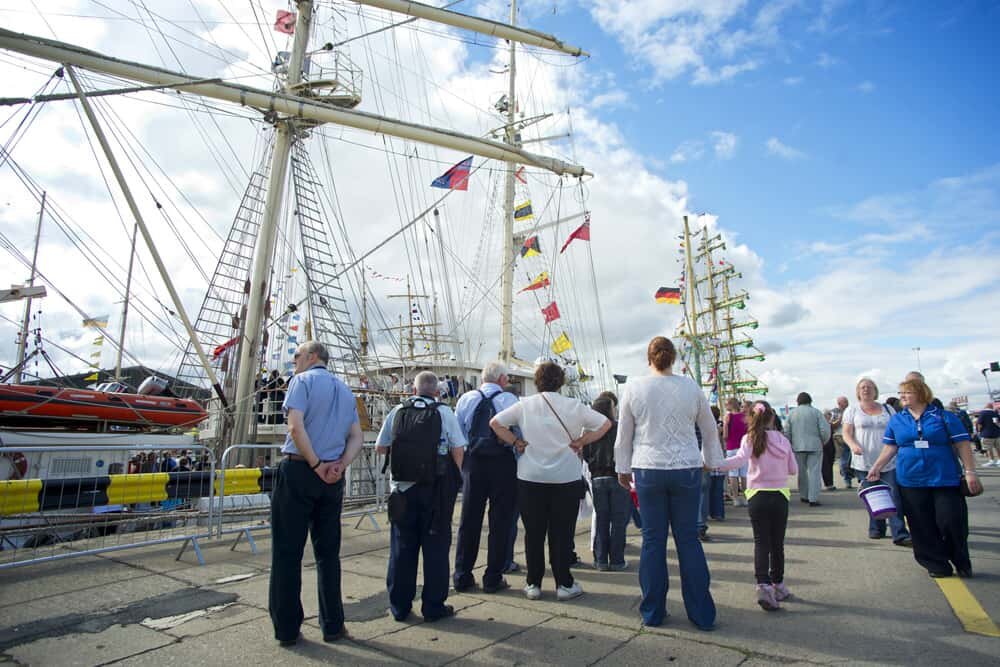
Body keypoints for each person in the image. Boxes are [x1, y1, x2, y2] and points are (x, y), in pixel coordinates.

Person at [614, 337, 724, 630]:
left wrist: (622, 468)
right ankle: (701, 614)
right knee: (688, 540)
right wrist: (710, 460)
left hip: (648, 467)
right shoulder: (690, 386)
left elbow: (624, 434)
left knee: (653, 540)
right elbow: (710, 429)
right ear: (673, 357)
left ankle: (652, 611)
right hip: (686, 467)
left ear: (649, 358)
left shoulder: (634, 387)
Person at [269, 341, 364, 646]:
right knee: (328, 555)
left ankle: (286, 628)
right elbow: (357, 437)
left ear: (312, 357)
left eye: (296, 356)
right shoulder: (345, 390)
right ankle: (333, 625)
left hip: (301, 470)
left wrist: (316, 464)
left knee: (287, 552)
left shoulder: (302, 381)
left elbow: (296, 428)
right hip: (332, 479)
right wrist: (338, 466)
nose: (293, 361)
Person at [490, 362, 610, 601]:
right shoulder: (574, 406)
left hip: (530, 476)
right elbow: (605, 424)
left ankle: (533, 583)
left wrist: (516, 442)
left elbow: (495, 423)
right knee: (562, 533)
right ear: (561, 381)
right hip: (565, 477)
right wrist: (583, 441)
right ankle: (563, 583)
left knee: (533, 532)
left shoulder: (524, 405)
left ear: (537, 381)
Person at [868, 377, 981, 578]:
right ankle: (936, 564)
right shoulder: (897, 419)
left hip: (944, 477)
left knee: (951, 521)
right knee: (921, 525)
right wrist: (877, 467)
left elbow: (962, 444)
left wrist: (970, 472)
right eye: (901, 393)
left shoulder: (944, 417)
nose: (902, 396)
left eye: (907, 392)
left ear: (921, 394)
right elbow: (891, 446)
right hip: (910, 479)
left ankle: (960, 558)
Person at [376, 371, 465, 622]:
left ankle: (400, 607)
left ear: (413, 391)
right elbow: (458, 447)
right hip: (435, 492)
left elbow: (380, 447)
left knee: (401, 550)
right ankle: (433, 606)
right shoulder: (444, 412)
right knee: (436, 549)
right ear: (437, 391)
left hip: (402, 491)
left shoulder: (397, 411)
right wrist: (455, 478)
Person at [715, 401, 798, 611]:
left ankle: (763, 585)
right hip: (779, 495)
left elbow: (738, 460)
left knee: (761, 542)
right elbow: (793, 469)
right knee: (777, 543)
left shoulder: (749, 438)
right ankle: (778, 583)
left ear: (751, 418)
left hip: (756, 496)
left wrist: (715, 464)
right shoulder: (783, 440)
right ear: (772, 417)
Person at [453, 362, 519, 593]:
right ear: (501, 379)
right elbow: (518, 432)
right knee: (500, 521)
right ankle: (493, 577)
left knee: (469, 519)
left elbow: (458, 434)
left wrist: (464, 466)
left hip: (474, 462)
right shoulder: (509, 400)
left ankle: (462, 575)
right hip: (502, 462)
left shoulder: (466, 399)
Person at [842, 378, 911, 545]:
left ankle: (899, 533)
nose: (866, 390)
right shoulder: (852, 410)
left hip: (889, 459)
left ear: (875, 390)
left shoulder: (887, 409)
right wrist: (853, 445)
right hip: (864, 461)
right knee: (873, 496)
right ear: (858, 392)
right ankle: (876, 528)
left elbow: (898, 429)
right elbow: (846, 433)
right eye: (862, 387)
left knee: (893, 496)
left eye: (869, 387)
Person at [583, 396, 629, 571]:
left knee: (602, 518)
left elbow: (586, 453)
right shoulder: (618, 427)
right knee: (618, 520)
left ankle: (601, 560)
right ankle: (617, 560)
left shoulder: (590, 429)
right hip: (617, 476)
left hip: (597, 476)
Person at [786, 392, 831, 507]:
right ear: (810, 400)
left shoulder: (791, 414)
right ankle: (813, 498)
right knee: (814, 473)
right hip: (815, 446)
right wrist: (823, 441)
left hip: (798, 446)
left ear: (798, 401)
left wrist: (791, 444)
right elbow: (825, 430)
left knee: (802, 473)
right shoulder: (816, 412)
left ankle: (804, 496)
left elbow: (787, 431)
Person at [722, 398, 748, 507]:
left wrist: (725, 425)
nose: (725, 405)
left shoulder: (728, 417)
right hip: (743, 447)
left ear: (731, 405)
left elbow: (725, 436)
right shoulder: (745, 417)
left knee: (733, 474)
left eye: (726, 404)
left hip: (731, 447)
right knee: (744, 474)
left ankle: (736, 498)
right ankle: (746, 497)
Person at [829, 396, 852, 489]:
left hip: (852, 437)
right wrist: (841, 418)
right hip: (840, 438)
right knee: (844, 460)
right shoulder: (834, 412)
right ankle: (847, 480)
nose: (846, 404)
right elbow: (832, 426)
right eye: (844, 402)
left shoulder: (852, 410)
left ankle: (858, 478)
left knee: (854, 459)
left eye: (846, 402)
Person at [976, 403, 1000, 467]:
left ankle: (991, 461)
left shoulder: (983, 413)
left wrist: (978, 431)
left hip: (986, 434)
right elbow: (998, 422)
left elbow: (979, 424)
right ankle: (999, 461)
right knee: (998, 448)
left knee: (988, 448)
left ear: (986, 406)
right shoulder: (995, 413)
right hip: (997, 433)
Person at [821, 410, 836, 491]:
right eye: (828, 415)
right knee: (825, 465)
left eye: (830, 415)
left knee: (830, 465)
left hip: (830, 446)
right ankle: (829, 484)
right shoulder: (821, 424)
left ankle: (830, 483)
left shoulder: (829, 424)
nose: (829, 416)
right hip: (823, 446)